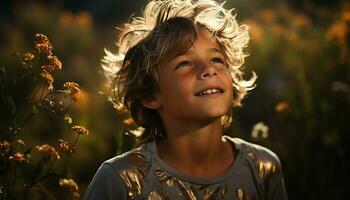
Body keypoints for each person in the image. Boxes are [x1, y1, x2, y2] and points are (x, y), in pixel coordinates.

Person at [85, 0, 288, 199]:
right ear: (150, 96)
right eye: (184, 63)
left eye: (216, 59)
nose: (208, 69)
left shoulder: (262, 168)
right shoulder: (120, 180)